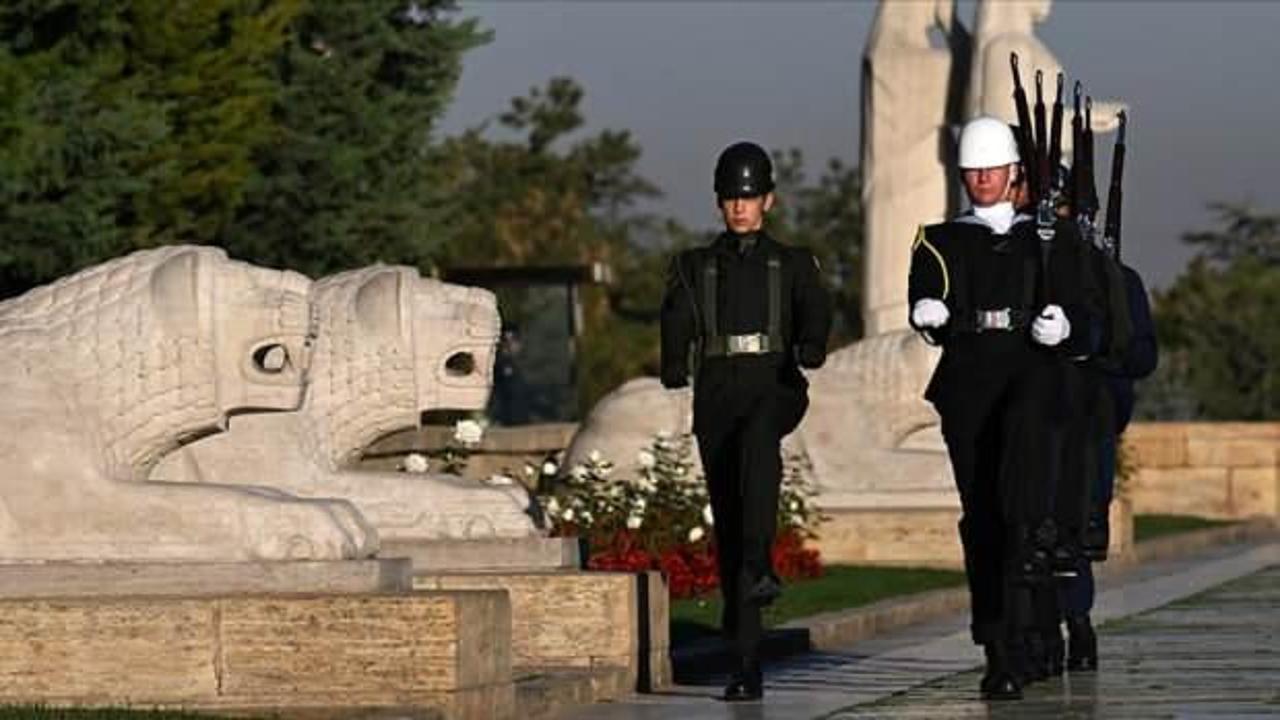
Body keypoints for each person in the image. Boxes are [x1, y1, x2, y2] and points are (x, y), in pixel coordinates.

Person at [907, 117, 1101, 700]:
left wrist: (1065, 325)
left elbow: (1088, 313)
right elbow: (927, 290)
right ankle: (996, 646)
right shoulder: (938, 240)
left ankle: (1030, 635)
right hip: (969, 387)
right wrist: (929, 312)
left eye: (992, 169)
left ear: (1014, 171)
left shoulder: (1048, 238)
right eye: (973, 170)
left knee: (1027, 521)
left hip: (1031, 381)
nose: (983, 179)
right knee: (984, 520)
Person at [659, 141, 832, 702]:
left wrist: (811, 344)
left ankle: (759, 561)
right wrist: (672, 359)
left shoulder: (793, 263)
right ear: (719, 202)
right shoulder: (695, 266)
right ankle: (746, 660)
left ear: (768, 201)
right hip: (718, 393)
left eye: (749, 196)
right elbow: (677, 317)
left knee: (760, 439)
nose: (740, 206)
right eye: (731, 197)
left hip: (774, 386)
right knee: (730, 516)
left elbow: (816, 309)